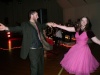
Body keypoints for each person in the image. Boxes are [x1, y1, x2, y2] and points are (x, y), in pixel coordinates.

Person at [0, 10, 53, 75]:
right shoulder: (25, 25)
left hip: (40, 48)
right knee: (34, 67)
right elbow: (17, 28)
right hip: (33, 50)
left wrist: (47, 24)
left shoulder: (37, 24)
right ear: (32, 15)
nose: (38, 17)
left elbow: (42, 26)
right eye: (36, 15)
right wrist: (6, 28)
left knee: (41, 66)